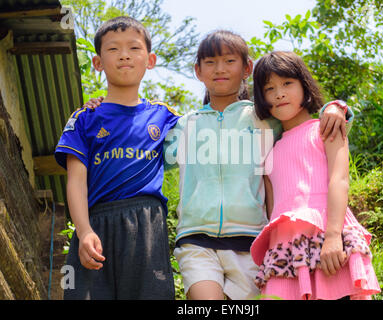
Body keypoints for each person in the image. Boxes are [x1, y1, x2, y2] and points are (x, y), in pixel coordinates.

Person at [84, 30, 353, 300]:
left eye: (229, 61)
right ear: (198, 71)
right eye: (210, 63)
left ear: (247, 68)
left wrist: (337, 107)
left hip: (251, 242)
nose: (220, 69)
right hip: (195, 240)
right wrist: (103, 107)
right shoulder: (182, 125)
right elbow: (136, 139)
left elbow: (307, 126)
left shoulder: (265, 120)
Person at [54, 16, 180, 300]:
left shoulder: (166, 116)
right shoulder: (84, 118)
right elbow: (76, 181)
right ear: (98, 63)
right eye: (113, 49)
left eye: (134, 48)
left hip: (148, 225)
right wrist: (84, 230)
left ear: (150, 60)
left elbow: (208, 132)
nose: (124, 55)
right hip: (96, 224)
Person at [250, 51, 380, 300]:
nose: (279, 93)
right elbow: (271, 209)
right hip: (287, 253)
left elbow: (339, 180)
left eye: (287, 83)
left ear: (304, 85)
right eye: (269, 88)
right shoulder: (268, 154)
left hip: (328, 238)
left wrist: (333, 237)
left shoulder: (326, 128)